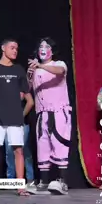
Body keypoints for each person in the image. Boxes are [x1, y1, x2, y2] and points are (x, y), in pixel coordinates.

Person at [0, 39, 34, 196]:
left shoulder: (19, 70)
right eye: (12, 48)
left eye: (16, 49)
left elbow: (25, 94)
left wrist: (15, 110)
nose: (15, 51)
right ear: (3, 48)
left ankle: (20, 187)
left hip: (15, 118)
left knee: (18, 150)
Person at [28, 38, 72, 195]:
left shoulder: (59, 64)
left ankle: (62, 182)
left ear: (52, 50)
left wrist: (40, 66)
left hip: (59, 111)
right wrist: (29, 75)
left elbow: (60, 71)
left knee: (60, 144)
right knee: (43, 146)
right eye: (41, 46)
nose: (43, 48)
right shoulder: (35, 69)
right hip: (42, 113)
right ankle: (43, 182)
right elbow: (27, 89)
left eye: (47, 46)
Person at [4, 96, 35, 191]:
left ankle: (30, 180)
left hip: (22, 124)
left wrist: (21, 116)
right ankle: (11, 180)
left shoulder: (23, 89)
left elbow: (30, 102)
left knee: (24, 151)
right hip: (8, 124)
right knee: (9, 152)